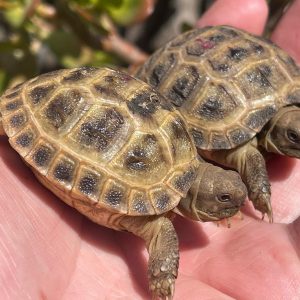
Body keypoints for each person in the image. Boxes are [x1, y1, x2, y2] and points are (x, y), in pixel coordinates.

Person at [0, 0, 299, 298]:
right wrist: (162, 283)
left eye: (228, 197)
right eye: (223, 199)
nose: (234, 203)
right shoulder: (159, 222)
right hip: (58, 112)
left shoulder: (182, 148)